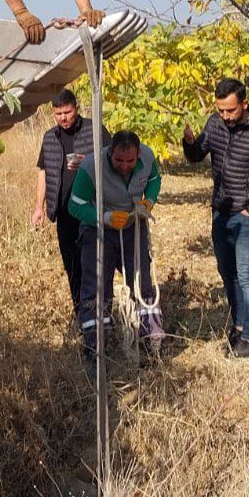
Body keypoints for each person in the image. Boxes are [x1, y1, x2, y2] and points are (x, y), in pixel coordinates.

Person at [183, 79, 249, 358]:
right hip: (220, 211)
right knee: (228, 274)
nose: (225, 116)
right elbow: (197, 154)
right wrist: (189, 143)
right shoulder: (215, 124)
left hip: (246, 216)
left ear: (244, 104)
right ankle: (238, 326)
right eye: (221, 110)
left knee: (246, 274)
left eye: (230, 110)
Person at [68, 130, 164, 363]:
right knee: (96, 288)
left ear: (138, 154)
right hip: (97, 230)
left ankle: (151, 342)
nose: (124, 166)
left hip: (133, 227)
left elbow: (154, 180)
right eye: (119, 160)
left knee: (142, 284)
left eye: (130, 161)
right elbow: (74, 205)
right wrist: (104, 217)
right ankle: (95, 348)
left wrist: (148, 202)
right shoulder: (91, 167)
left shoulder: (148, 158)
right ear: (110, 152)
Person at [32, 89, 108, 321]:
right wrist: (38, 207)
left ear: (76, 108)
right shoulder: (49, 137)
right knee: (72, 268)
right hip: (64, 215)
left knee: (94, 267)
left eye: (67, 112)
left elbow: (113, 162)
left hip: (91, 213)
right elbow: (44, 173)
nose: (63, 118)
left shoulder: (95, 130)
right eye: (58, 114)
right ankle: (83, 318)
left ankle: (102, 317)